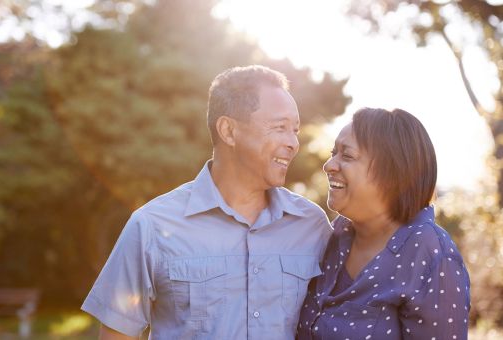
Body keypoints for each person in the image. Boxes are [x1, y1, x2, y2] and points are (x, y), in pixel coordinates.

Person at [82, 65, 333, 339]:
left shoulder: (313, 225)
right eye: (280, 128)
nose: (293, 143)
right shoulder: (151, 226)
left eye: (294, 130)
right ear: (228, 130)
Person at [297, 108, 471, 339]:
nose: (329, 165)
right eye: (333, 153)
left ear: (394, 171)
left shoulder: (432, 255)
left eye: (347, 156)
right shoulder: (335, 235)